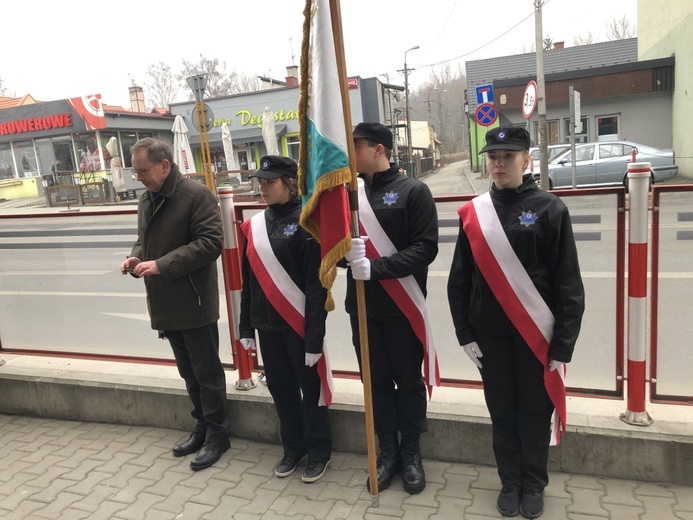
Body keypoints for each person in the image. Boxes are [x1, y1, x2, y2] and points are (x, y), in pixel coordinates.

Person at [447, 126, 585, 518]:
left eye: (508, 156)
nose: (499, 163)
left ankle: (533, 483)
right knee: (502, 411)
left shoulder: (550, 209)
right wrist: (464, 332)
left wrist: (562, 345)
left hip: (534, 337)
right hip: (489, 336)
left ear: (527, 160)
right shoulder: (475, 214)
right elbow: (460, 279)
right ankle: (510, 481)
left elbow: (569, 285)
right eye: (493, 156)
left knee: (535, 412)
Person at [120, 137, 230, 471]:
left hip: (194, 301)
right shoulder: (147, 198)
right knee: (189, 374)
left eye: (143, 171)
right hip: (166, 301)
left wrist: (162, 265)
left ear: (165, 165)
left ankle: (218, 435)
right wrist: (135, 256)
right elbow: (146, 237)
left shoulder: (196, 196)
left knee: (207, 373)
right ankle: (202, 426)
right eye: (136, 172)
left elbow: (211, 243)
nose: (139, 178)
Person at [343, 122, 439, 494]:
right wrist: (344, 257)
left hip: (403, 308)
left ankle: (412, 451)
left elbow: (425, 247)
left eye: (357, 147)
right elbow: (337, 250)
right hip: (363, 308)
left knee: (408, 382)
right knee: (375, 383)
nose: (351, 154)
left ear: (378, 149)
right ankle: (388, 452)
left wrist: (377, 268)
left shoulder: (413, 191)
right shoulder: (351, 196)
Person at [238, 155, 332, 483]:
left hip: (298, 327)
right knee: (281, 391)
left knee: (310, 389)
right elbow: (247, 282)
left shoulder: (308, 223)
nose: (262, 187)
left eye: (270, 181)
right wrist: (245, 326)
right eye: (260, 182)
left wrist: (314, 337)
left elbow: (316, 286)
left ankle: (319, 450)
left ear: (290, 183)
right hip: (267, 327)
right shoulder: (255, 226)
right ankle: (293, 447)